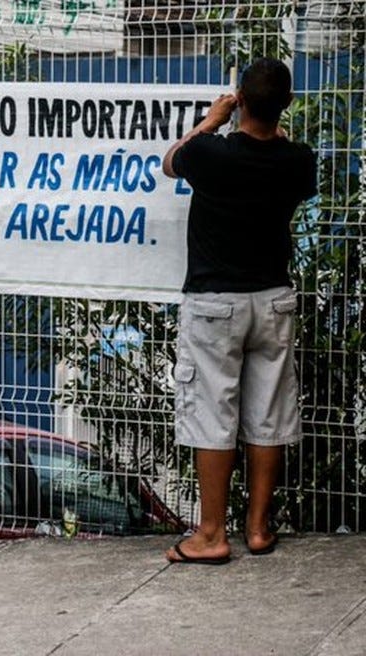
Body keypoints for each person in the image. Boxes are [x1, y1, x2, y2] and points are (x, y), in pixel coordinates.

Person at [161, 58, 317, 564]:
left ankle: (210, 534)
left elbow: (170, 160)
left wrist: (211, 119)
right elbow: (282, 153)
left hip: (214, 303)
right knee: (267, 413)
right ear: (286, 106)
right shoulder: (298, 160)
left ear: (240, 101)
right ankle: (257, 528)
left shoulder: (210, 153)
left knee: (214, 412)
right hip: (272, 299)